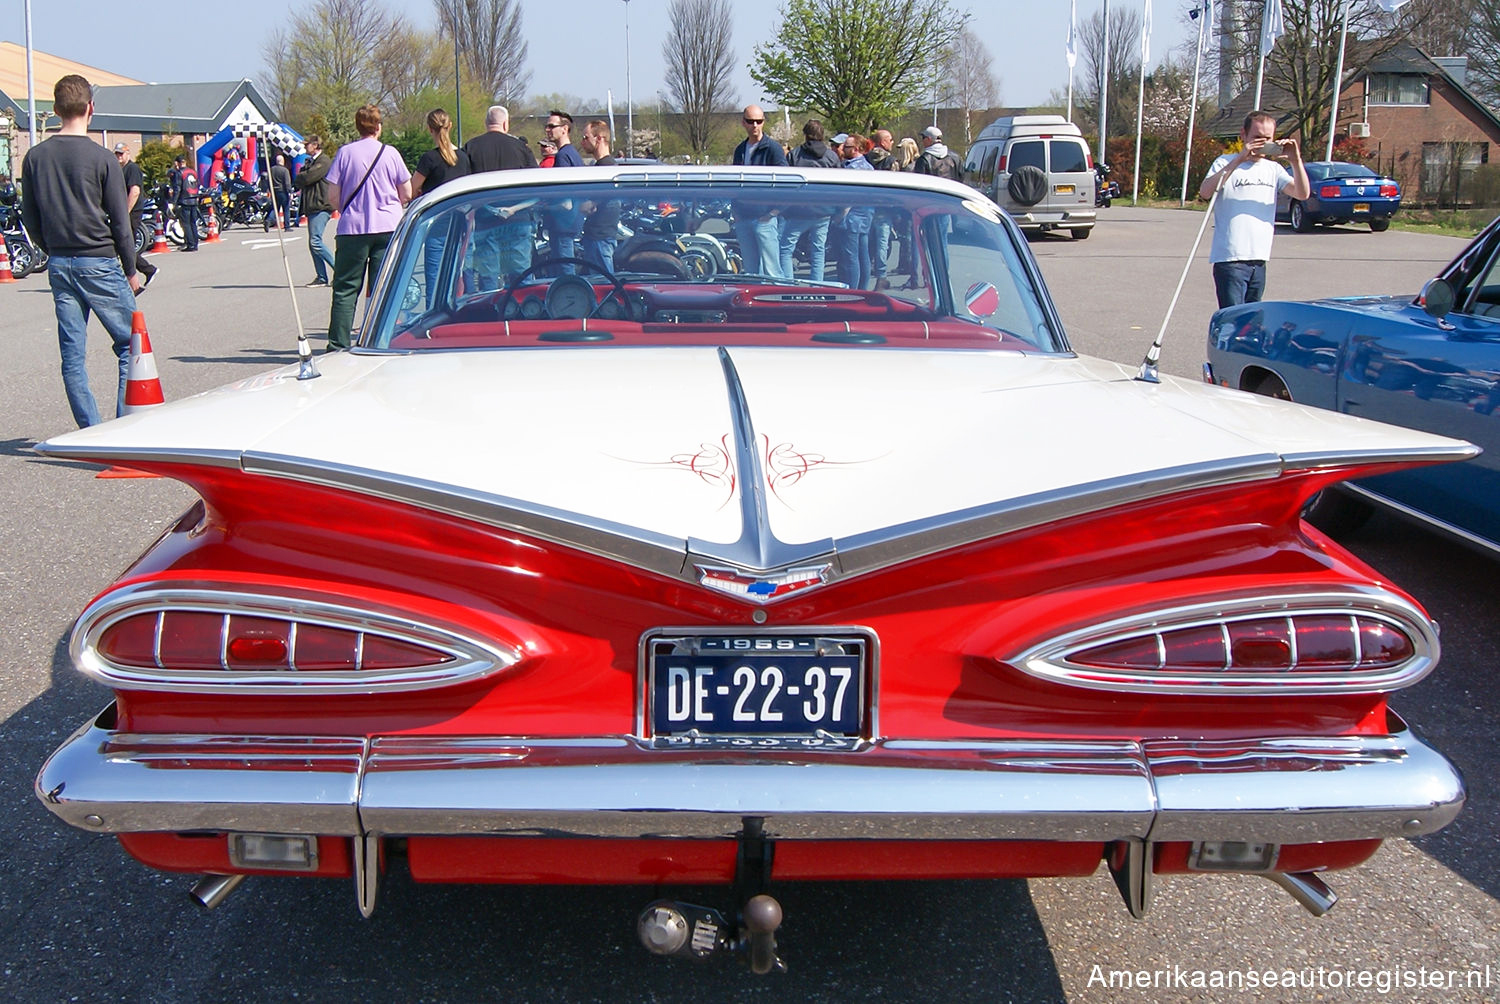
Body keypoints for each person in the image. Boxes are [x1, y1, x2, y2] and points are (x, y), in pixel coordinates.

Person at [19, 73, 143, 428]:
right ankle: (122, 429)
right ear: (91, 108)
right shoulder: (103, 158)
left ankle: (90, 430)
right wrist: (131, 269)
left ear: (56, 109)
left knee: (72, 356)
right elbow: (121, 222)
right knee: (129, 344)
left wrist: (52, 247)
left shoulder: (35, 157)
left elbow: (30, 217)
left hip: (60, 262)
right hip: (99, 260)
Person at [1199, 110, 1310, 308]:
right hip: (1230, 258)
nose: (1262, 143)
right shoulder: (1225, 162)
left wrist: (1295, 160)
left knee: (1252, 320)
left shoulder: (1273, 169)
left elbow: (1302, 193)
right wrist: (1239, 159)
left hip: (1259, 258)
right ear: (1244, 135)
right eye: (1257, 138)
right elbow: (1206, 192)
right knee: (1233, 316)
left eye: (1267, 138)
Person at [325, 104, 411, 350]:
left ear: (357, 126)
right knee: (383, 288)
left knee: (345, 289)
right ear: (378, 126)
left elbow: (333, 195)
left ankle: (338, 344)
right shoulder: (390, 153)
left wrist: (348, 206)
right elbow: (405, 192)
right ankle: (380, 340)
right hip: (387, 226)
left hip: (352, 227)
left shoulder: (345, 153)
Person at [463, 104, 538, 288]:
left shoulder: (471, 147)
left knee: (488, 274)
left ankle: (491, 311)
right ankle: (521, 312)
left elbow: (464, 185)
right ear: (506, 124)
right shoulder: (521, 148)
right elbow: (537, 184)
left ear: (486, 123)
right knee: (521, 275)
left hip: (485, 219)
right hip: (518, 220)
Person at [412, 109, 472, 307]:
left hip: (437, 222)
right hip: (461, 221)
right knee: (459, 273)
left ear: (430, 128)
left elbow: (412, 189)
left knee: (434, 277)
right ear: (451, 126)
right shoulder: (463, 157)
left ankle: (432, 316)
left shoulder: (429, 159)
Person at [731, 103, 788, 278]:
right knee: (751, 271)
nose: (754, 125)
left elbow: (786, 183)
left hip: (765, 218)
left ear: (763, 122)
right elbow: (734, 183)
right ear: (743, 123)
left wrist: (773, 212)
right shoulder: (740, 150)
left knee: (773, 271)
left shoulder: (773, 149)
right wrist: (736, 211)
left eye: (758, 121)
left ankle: (779, 302)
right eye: (750, 121)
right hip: (744, 217)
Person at [779, 119, 840, 281]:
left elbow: (787, 183)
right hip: (824, 211)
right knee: (818, 250)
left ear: (805, 135)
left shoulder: (795, 155)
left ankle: (788, 285)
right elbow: (839, 185)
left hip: (799, 210)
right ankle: (817, 287)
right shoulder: (831, 157)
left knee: (785, 248)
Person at [578, 120, 620, 273]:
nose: (582, 142)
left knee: (604, 286)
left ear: (600, 138)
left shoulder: (606, 168)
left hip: (600, 236)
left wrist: (585, 205)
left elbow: (592, 203)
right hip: (597, 236)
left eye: (586, 137)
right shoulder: (602, 166)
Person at [113, 142, 157, 291]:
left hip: (131, 212)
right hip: (123, 212)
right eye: (117, 154)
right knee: (124, 246)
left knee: (125, 245)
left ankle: (138, 276)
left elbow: (135, 191)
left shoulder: (132, 169)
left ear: (128, 153)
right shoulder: (120, 170)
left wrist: (125, 213)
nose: (119, 156)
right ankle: (146, 270)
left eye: (121, 153)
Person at [835, 134, 875, 291]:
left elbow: (848, 197)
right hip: (866, 216)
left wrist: (840, 215)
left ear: (856, 149)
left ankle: (853, 291)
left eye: (846, 147)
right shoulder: (869, 167)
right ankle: (863, 289)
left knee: (851, 258)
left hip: (851, 217)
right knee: (863, 255)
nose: (843, 149)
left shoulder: (851, 168)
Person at [295, 135, 335, 286]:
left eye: (308, 145)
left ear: (315, 145)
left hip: (321, 205)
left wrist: (301, 175)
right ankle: (321, 277)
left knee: (315, 241)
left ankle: (338, 271)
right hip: (312, 205)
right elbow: (301, 179)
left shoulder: (323, 161)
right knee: (313, 243)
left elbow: (306, 178)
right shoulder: (311, 162)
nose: (305, 147)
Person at [173, 155, 202, 251]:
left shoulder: (179, 173)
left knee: (186, 223)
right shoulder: (193, 172)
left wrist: (174, 202)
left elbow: (177, 188)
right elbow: (197, 184)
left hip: (184, 200)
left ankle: (191, 244)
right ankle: (195, 243)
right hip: (194, 199)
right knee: (193, 222)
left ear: (177, 163)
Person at [270, 153, 295, 229]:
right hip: (283, 191)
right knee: (286, 209)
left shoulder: (271, 169)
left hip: (274, 191)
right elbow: (287, 182)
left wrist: (270, 189)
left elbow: (269, 180)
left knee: (275, 208)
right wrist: (290, 192)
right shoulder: (285, 170)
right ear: (282, 161)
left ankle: (268, 220)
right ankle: (287, 226)